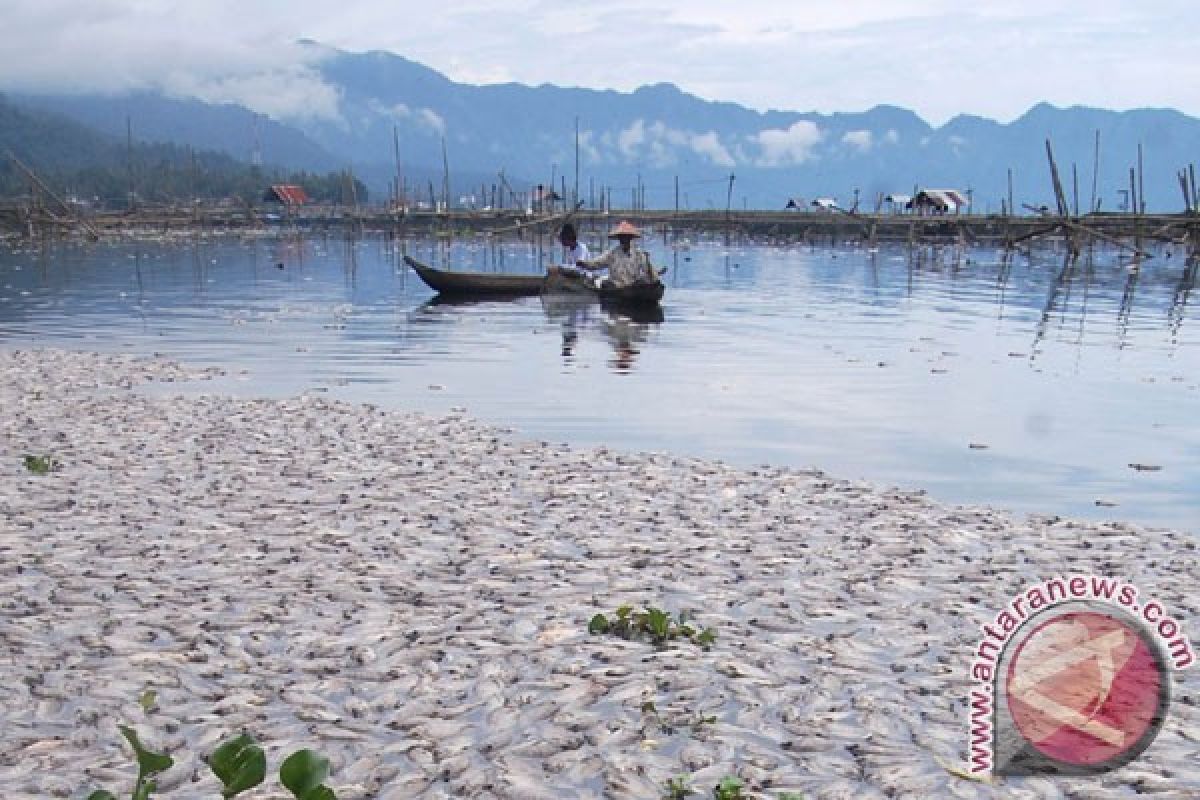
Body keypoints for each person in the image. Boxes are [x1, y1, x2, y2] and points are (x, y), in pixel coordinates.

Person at [580, 220, 658, 288]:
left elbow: (647, 271)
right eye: (622, 237)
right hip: (616, 286)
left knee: (643, 282)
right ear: (619, 238)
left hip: (633, 286)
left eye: (626, 237)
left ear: (630, 238)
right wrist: (585, 264)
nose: (624, 239)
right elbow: (597, 263)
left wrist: (650, 266)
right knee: (606, 284)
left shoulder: (639, 254)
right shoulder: (612, 254)